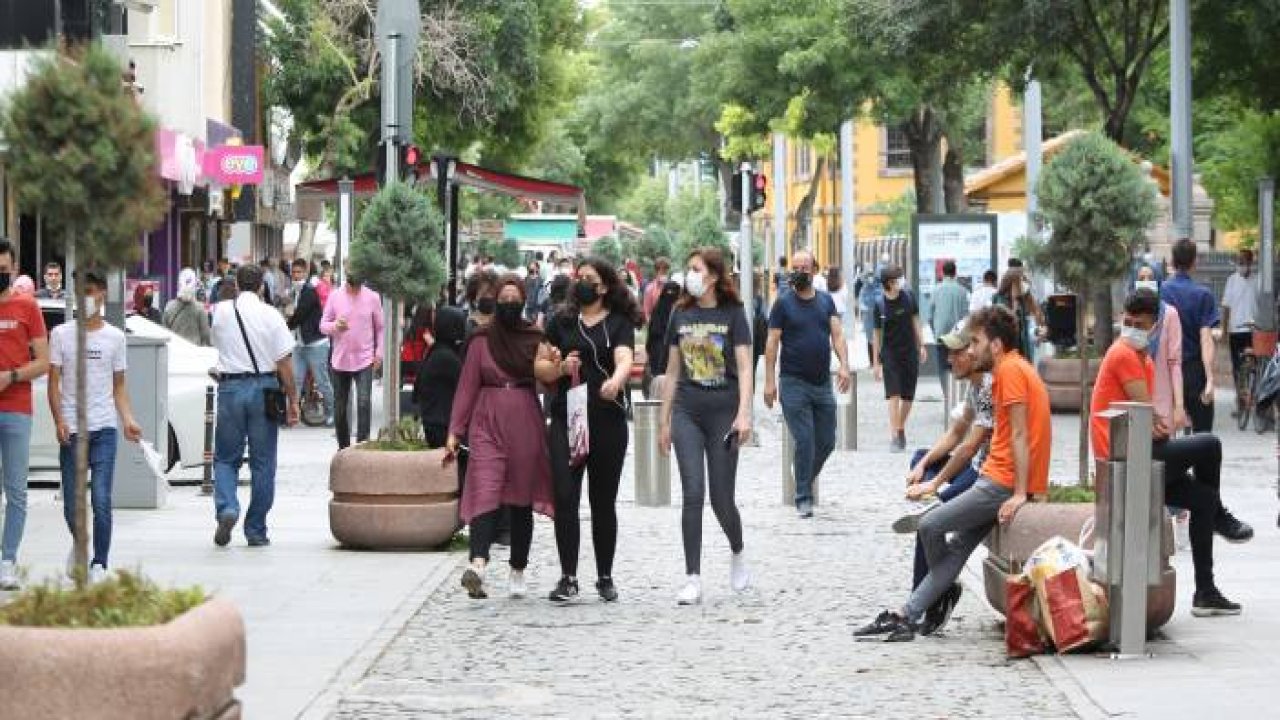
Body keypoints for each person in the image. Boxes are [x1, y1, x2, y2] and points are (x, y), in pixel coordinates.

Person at [855, 305, 1051, 641]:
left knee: (929, 525)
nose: (971, 349)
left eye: (975, 342)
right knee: (956, 549)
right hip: (997, 479)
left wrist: (1020, 493)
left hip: (998, 484)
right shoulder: (1009, 370)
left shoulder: (1010, 372)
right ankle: (908, 614)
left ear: (996, 345)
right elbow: (973, 433)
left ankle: (938, 593)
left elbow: (1019, 435)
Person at [1090, 289, 1251, 617]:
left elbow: (1151, 420)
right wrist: (1157, 422)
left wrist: (1158, 422)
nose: (1132, 327)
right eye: (1128, 321)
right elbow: (1146, 415)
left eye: (1140, 323)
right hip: (1125, 457)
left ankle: (1205, 592)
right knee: (1210, 444)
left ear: (1154, 326)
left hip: (1138, 451)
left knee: (1202, 498)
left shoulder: (1144, 359)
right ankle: (1221, 515)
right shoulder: (1122, 353)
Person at [448, 277, 555, 600]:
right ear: (495, 301)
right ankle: (478, 565)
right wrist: (455, 431)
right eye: (503, 297)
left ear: (523, 301)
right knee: (485, 489)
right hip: (486, 421)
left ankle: (518, 568)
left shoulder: (535, 338)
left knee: (520, 498)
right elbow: (467, 387)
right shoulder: (480, 340)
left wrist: (561, 368)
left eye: (514, 297)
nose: (509, 302)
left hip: (524, 419)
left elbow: (550, 378)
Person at [657, 248, 753, 605]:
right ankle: (692, 577)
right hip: (687, 411)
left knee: (721, 499)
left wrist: (744, 413)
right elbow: (672, 370)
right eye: (689, 268)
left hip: (723, 413)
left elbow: (744, 367)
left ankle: (737, 549)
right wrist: (664, 420)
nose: (690, 275)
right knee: (693, 493)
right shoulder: (679, 313)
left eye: (696, 269)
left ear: (713, 276)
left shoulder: (733, 313)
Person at [543, 257, 641, 603]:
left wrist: (616, 381)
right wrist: (557, 366)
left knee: (603, 501)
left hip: (606, 419)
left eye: (589, 278)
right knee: (565, 496)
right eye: (578, 277)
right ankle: (568, 576)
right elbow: (543, 362)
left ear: (603, 287)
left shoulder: (618, 323)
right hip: (568, 417)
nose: (581, 282)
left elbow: (625, 358)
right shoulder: (560, 322)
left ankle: (604, 575)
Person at [895, 323, 993, 634]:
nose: (949, 359)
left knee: (931, 519)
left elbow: (968, 449)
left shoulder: (989, 386)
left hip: (986, 473)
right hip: (975, 465)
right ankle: (938, 591)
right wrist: (923, 466)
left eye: (956, 352)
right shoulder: (975, 387)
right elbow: (955, 434)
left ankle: (925, 597)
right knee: (921, 456)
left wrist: (935, 486)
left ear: (973, 352)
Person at [48, 269, 143, 583]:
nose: (85, 298)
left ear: (102, 292)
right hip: (72, 431)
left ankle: (100, 564)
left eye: (90, 291)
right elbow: (53, 383)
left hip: (104, 429)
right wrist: (59, 419)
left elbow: (118, 387)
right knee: (71, 506)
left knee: (101, 499)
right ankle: (80, 548)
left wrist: (128, 419)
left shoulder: (115, 338)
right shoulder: (61, 335)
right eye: (79, 291)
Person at [210, 264, 299, 548]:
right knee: (263, 463)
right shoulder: (271, 315)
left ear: (236, 283)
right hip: (265, 389)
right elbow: (285, 363)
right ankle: (256, 529)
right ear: (262, 285)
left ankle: (227, 508)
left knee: (225, 458)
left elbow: (219, 346)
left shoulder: (221, 311)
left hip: (231, 388)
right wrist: (293, 399)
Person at [764, 250, 852, 518]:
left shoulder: (826, 302)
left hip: (821, 382)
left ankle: (802, 474)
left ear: (815, 270)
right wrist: (769, 382)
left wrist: (845, 366)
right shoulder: (783, 304)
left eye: (805, 267)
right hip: (792, 382)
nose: (800, 271)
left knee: (826, 441)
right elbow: (771, 344)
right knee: (805, 439)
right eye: (796, 267)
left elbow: (837, 335)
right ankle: (803, 495)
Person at [0, 240, 51, 589]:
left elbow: (44, 362)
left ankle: (7, 560)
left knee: (16, 490)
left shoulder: (28, 307)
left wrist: (12, 376)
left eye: (3, 269)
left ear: (14, 269)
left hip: (16, 408)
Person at [320, 267, 384, 449]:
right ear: (346, 272)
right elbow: (322, 326)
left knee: (364, 402)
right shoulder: (335, 296)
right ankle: (344, 447)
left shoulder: (373, 297)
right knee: (340, 409)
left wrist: (378, 353)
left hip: (365, 359)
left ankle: (362, 446)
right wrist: (335, 327)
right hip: (340, 360)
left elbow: (380, 328)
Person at [1160, 239, 1219, 433]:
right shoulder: (1203, 295)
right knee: (1203, 436)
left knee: (1164, 434)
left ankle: (1170, 464)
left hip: (1165, 370)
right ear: (1194, 262)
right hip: (1194, 372)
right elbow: (1206, 339)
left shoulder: (1161, 292)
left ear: (1172, 261)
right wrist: (1210, 379)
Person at [873, 265, 926, 452]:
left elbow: (916, 322)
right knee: (893, 395)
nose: (901, 281)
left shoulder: (909, 297)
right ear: (889, 283)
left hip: (909, 351)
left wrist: (922, 345)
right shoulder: (879, 304)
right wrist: (876, 362)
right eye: (898, 279)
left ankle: (900, 426)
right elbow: (876, 335)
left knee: (908, 397)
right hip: (890, 354)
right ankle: (895, 436)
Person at [1135, 267, 1188, 434]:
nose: (1145, 282)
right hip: (1136, 398)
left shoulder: (1169, 314)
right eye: (1141, 278)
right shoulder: (1130, 316)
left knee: (1164, 456)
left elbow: (1175, 364)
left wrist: (1179, 406)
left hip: (1162, 400)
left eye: (1150, 277)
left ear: (1158, 281)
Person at [287, 259, 334, 426]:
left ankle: (332, 414)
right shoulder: (295, 291)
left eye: (299, 272)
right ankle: (292, 415)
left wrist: (286, 325)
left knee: (322, 381)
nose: (295, 275)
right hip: (300, 344)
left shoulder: (309, 291)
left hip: (316, 343)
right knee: (295, 380)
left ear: (305, 273)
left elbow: (299, 315)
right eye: (293, 272)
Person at [415, 307, 467, 448]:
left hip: (435, 422)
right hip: (442, 426)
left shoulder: (437, 351)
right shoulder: (447, 357)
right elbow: (466, 386)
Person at [1222, 248, 1258, 418]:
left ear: (1251, 262)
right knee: (1237, 369)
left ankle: (1256, 400)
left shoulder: (1258, 281)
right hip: (1235, 331)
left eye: (1244, 262)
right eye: (1239, 262)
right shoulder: (1231, 280)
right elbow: (1226, 307)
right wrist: (1223, 331)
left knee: (1255, 367)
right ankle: (1241, 404)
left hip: (1253, 331)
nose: (1241, 265)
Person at [929, 261, 970, 404]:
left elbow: (930, 315)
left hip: (941, 335)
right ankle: (958, 396)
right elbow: (966, 315)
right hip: (958, 337)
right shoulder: (963, 291)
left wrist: (935, 330)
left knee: (942, 366)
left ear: (942, 273)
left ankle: (947, 394)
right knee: (958, 363)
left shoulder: (935, 290)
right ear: (955, 272)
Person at [644, 273, 682, 397]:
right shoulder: (681, 312)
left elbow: (651, 335)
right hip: (668, 352)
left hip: (658, 352)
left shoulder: (658, 309)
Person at [993, 267, 1043, 361]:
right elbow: (1008, 325)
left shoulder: (1023, 300)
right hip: (1008, 352)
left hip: (1024, 351)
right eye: (1022, 280)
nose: (1025, 283)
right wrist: (1014, 302)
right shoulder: (999, 299)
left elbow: (1036, 318)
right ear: (1012, 282)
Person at [164, 268, 212, 346]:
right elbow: (206, 335)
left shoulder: (169, 307)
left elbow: (165, 332)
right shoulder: (199, 308)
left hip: (175, 352)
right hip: (194, 353)